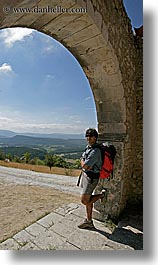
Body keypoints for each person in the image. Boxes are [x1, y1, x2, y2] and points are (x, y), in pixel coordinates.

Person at [78, 128, 106, 229]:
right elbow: (84, 163)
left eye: (91, 136)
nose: (88, 138)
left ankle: (101, 195)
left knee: (84, 200)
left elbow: (85, 165)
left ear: (95, 137)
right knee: (88, 200)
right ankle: (89, 221)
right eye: (87, 136)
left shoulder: (96, 151)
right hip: (86, 176)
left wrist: (82, 162)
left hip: (91, 178)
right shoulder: (89, 147)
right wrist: (84, 163)